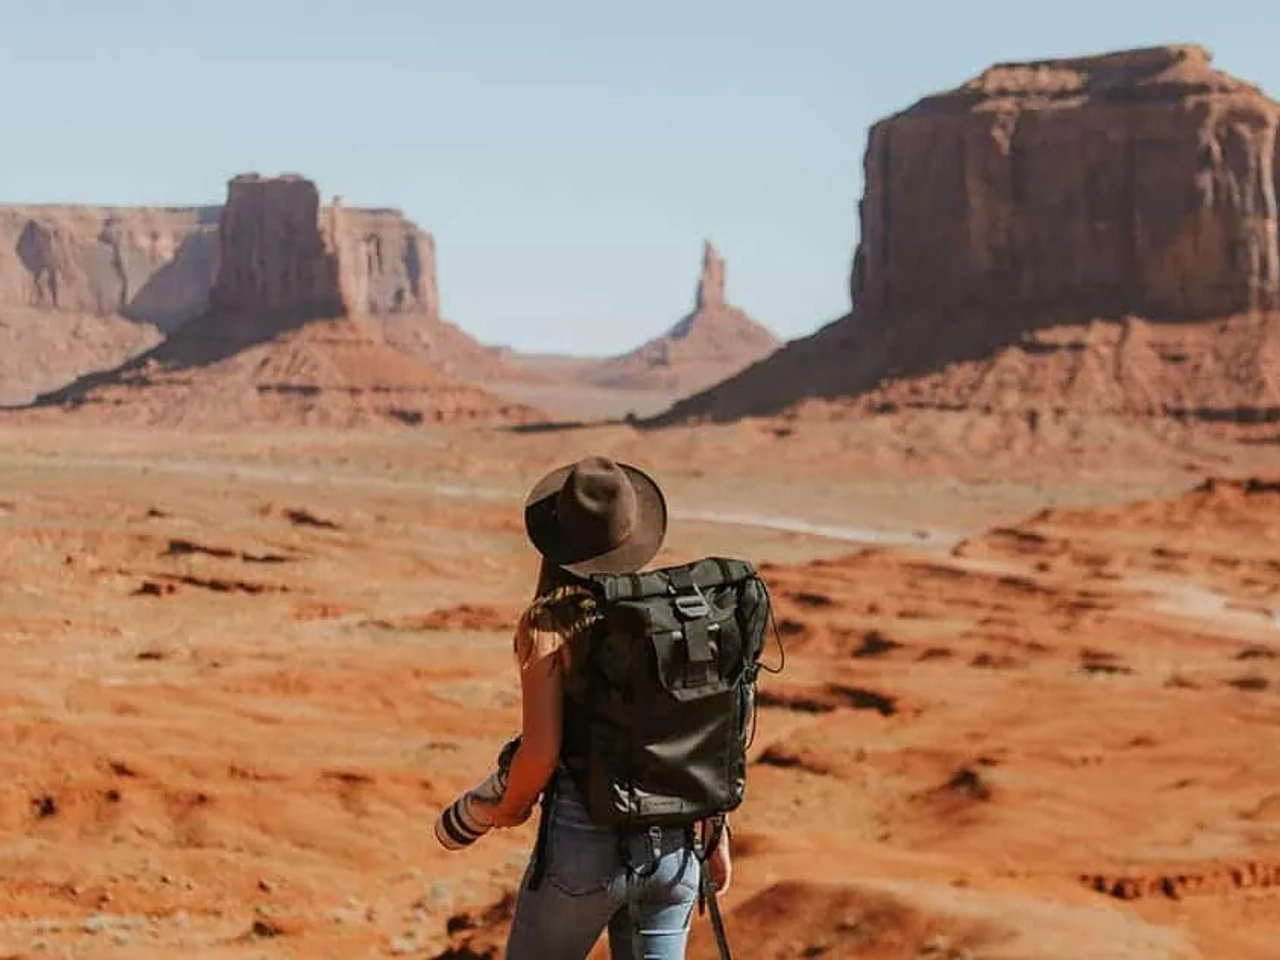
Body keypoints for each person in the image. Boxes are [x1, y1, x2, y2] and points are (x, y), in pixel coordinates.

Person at [475, 455, 732, 960]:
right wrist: (716, 834)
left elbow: (541, 752)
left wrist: (502, 809)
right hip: (676, 853)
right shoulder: (675, 623)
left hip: (582, 850)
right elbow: (703, 736)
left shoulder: (551, 625)